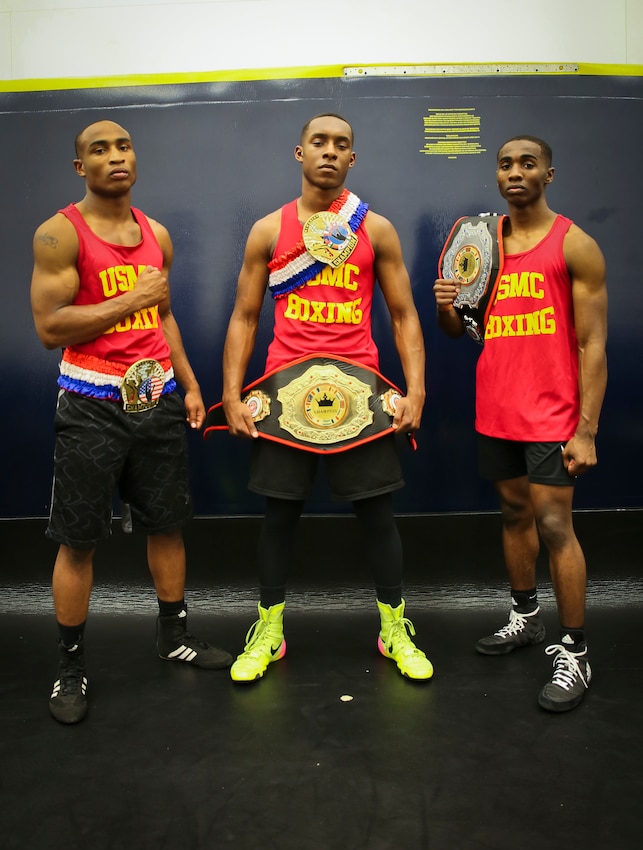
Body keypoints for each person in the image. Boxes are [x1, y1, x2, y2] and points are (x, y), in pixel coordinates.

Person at [30, 120, 232, 725]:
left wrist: (192, 386)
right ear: (80, 167)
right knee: (79, 539)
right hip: (91, 405)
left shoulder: (156, 235)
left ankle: (173, 638)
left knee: (167, 526)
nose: (115, 157)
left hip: (158, 400)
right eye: (99, 150)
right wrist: (129, 300)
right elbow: (50, 328)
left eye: (123, 146)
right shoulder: (56, 235)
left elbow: (163, 320)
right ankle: (70, 668)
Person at [220, 112, 432, 683]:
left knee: (378, 518)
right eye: (319, 142)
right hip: (284, 399)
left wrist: (416, 391)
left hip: (361, 396)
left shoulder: (376, 230)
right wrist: (232, 394)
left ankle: (394, 630)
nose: (330, 152)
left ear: (352, 159)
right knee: (278, 519)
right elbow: (243, 317)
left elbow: (406, 316)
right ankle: (269, 631)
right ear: (299, 152)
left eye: (341, 145)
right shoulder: (268, 230)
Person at [433, 135, 608, 712]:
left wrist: (585, 430)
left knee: (555, 526)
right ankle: (526, 616)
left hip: (553, 415)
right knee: (513, 514)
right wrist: (445, 307)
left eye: (527, 163)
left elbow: (592, 344)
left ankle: (576, 652)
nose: (515, 172)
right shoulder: (480, 246)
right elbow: (459, 331)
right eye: (505, 164)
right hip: (497, 410)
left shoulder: (575, 245)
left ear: (548, 175)